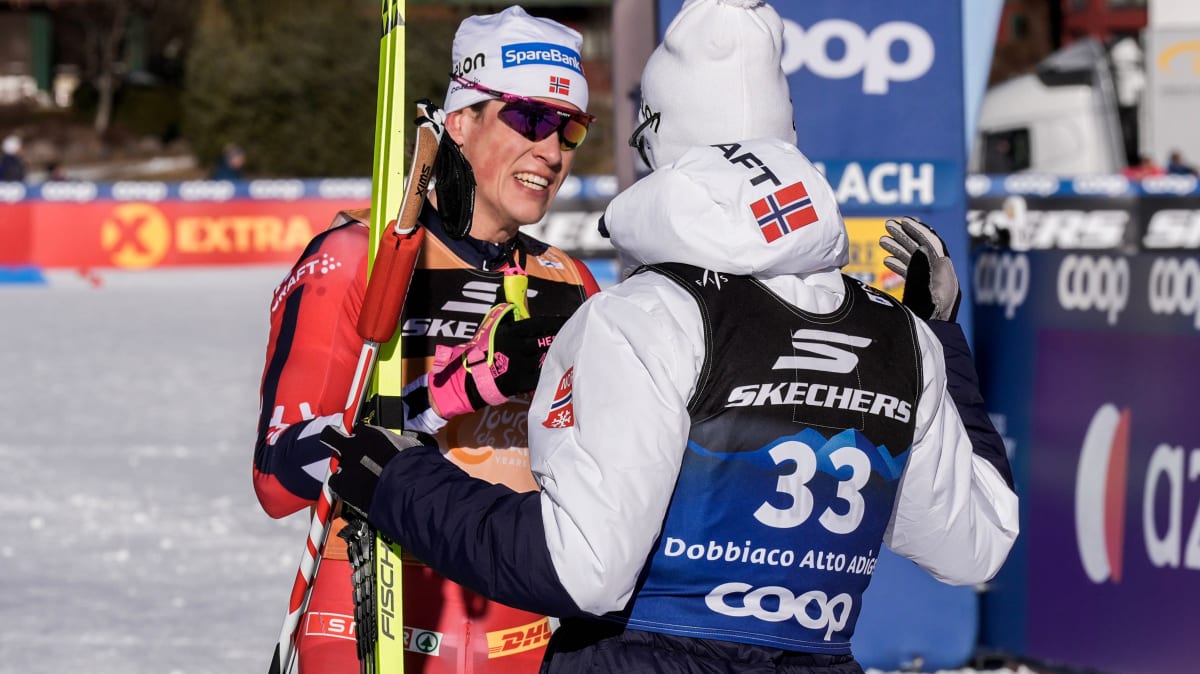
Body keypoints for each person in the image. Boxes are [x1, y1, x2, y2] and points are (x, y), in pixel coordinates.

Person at [320, 1, 1019, 672]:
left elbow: (583, 570)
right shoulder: (902, 336)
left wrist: (401, 482)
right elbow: (976, 543)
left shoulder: (642, 317)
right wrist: (941, 341)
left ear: (660, 141)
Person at [251, 6, 601, 673]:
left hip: (523, 642)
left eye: (570, 129)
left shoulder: (569, 279)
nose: (552, 152)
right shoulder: (355, 256)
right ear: (460, 121)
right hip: (369, 628)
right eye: (529, 119)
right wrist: (447, 392)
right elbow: (277, 474)